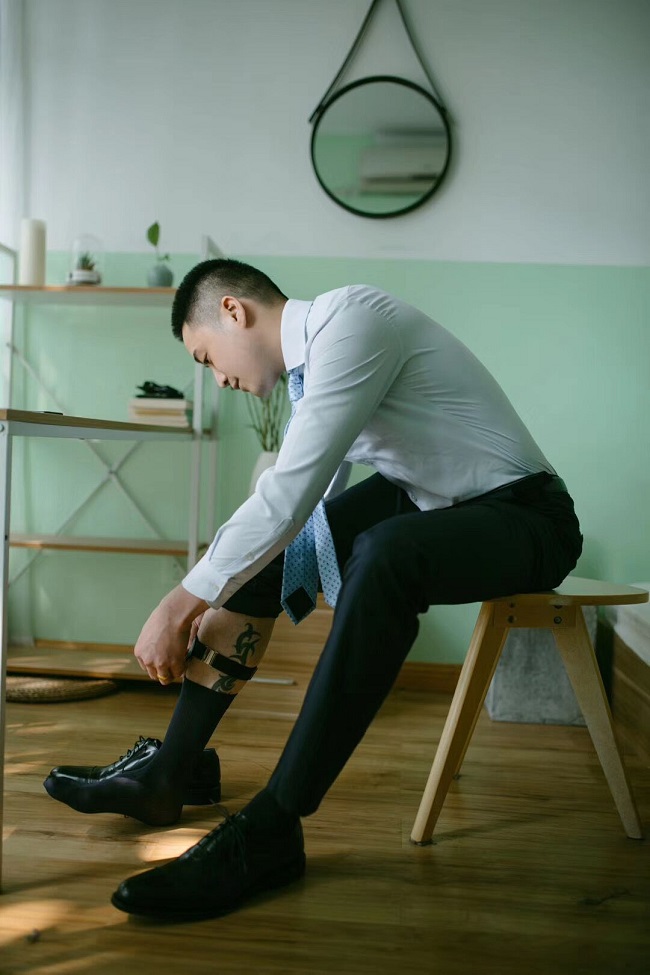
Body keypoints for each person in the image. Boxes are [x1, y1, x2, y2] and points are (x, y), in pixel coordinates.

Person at [44, 259, 583, 921]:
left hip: (528, 518)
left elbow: (289, 493)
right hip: (431, 498)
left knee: (383, 554)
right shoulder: (319, 364)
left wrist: (179, 602)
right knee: (270, 559)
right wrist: (258, 584)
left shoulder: (352, 322)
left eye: (207, 357)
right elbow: (298, 514)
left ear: (234, 311)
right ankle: (168, 774)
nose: (219, 379)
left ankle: (276, 823)